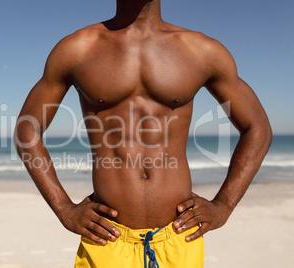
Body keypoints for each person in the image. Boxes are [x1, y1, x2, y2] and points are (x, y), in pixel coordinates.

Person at [14, 0, 272, 267]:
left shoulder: (200, 50)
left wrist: (224, 205)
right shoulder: (78, 49)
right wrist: (64, 208)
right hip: (107, 240)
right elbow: (27, 129)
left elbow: (258, 127)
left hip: (179, 237)